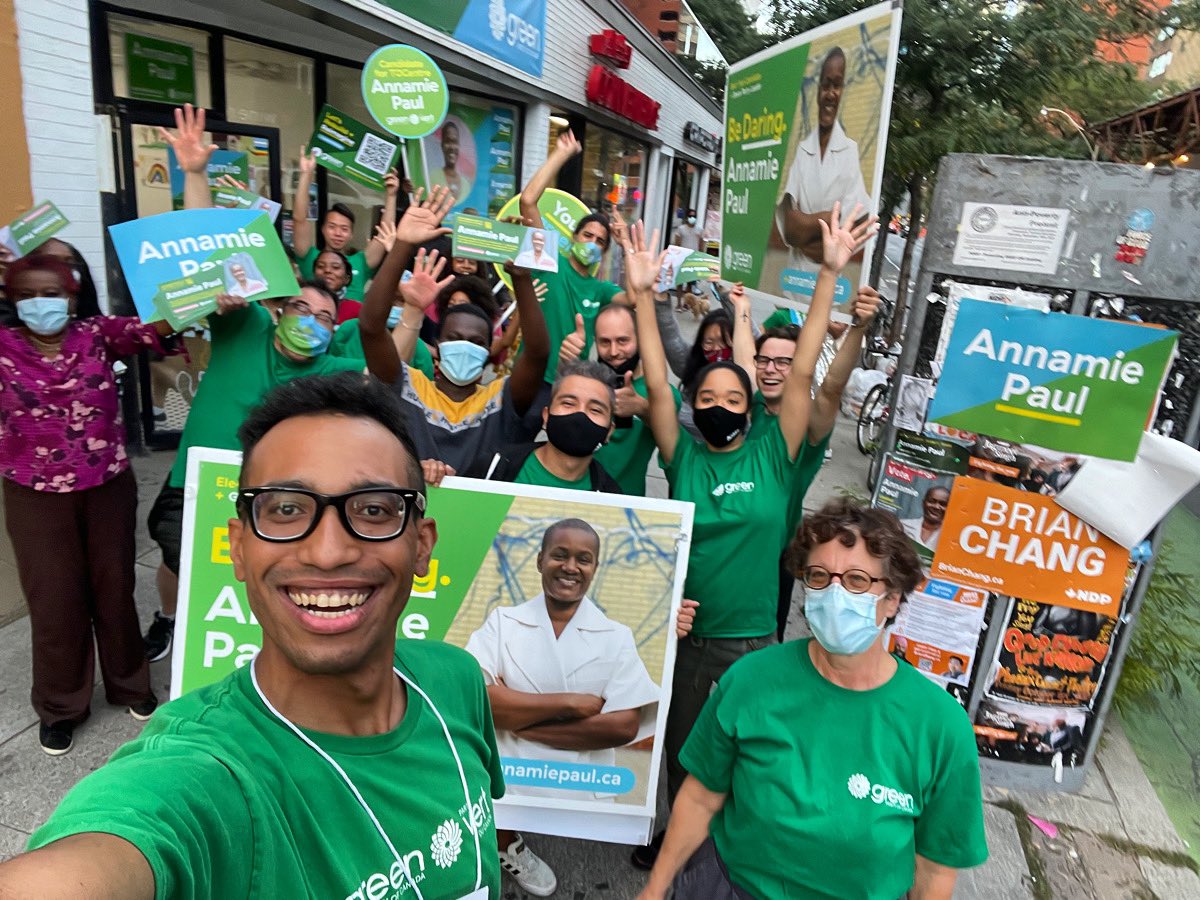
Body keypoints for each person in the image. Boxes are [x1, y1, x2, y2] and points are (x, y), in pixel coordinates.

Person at [0, 373, 506, 897]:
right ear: (238, 548)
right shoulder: (203, 774)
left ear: (421, 545)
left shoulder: (457, 679)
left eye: (374, 510)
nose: (328, 553)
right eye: (285, 509)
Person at [627, 204, 876, 864]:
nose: (718, 407)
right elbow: (655, 381)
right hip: (683, 633)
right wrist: (644, 295)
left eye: (731, 399)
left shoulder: (776, 452)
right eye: (705, 399)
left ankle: (726, 850)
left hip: (752, 639)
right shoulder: (683, 456)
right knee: (681, 750)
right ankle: (678, 844)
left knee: (742, 754)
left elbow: (803, 369)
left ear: (749, 406)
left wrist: (830, 272)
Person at [637, 499, 989, 900]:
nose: (835, 593)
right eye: (820, 576)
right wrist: (656, 887)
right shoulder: (753, 679)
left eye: (857, 581)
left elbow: (934, 867)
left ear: (892, 599)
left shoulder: (940, 725)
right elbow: (701, 798)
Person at [143, 104, 370, 663]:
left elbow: (388, 348)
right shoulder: (244, 324)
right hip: (194, 484)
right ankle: (168, 620)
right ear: (278, 309)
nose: (309, 320)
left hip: (266, 494)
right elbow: (205, 256)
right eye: (300, 307)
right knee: (176, 561)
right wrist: (194, 173)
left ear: (333, 330)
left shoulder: (332, 369)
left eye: (322, 316)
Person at [0, 255, 167, 755]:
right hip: (33, 494)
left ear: (71, 297)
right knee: (54, 599)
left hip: (106, 487)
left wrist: (199, 292)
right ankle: (61, 706)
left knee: (114, 585)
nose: (40, 303)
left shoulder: (97, 334)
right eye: (27, 294)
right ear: (10, 299)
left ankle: (130, 684)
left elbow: (157, 325)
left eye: (51, 293)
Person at [466, 519, 660, 896]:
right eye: (560, 555)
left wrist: (521, 723)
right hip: (511, 771)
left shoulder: (616, 636)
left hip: (575, 779)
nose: (571, 567)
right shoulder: (504, 621)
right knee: (493, 808)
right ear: (540, 560)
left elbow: (621, 727)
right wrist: (570, 704)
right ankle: (506, 843)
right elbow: (479, 700)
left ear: (595, 569)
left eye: (584, 559)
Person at [360, 189, 552, 482]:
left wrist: (521, 278)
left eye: (476, 343)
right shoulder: (405, 385)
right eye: (455, 337)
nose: (465, 345)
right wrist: (403, 245)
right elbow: (371, 327)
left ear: (489, 350)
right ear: (437, 345)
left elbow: (537, 353)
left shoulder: (502, 400)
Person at [742, 286, 883, 641]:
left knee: (761, 653)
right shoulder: (749, 403)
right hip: (730, 542)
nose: (771, 370)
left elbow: (832, 387)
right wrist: (741, 308)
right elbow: (745, 359)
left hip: (774, 557)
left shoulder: (807, 425)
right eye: (765, 361)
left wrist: (859, 328)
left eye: (785, 362)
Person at [518, 129, 629, 389]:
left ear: (604, 251)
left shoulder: (601, 290)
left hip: (568, 383)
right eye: (587, 235)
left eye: (600, 241)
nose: (592, 243)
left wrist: (627, 247)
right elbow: (528, 201)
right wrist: (561, 154)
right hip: (528, 375)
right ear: (574, 237)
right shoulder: (548, 260)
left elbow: (634, 299)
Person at [774, 47, 871, 278]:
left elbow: (845, 240)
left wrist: (806, 226)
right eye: (825, 85)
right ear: (818, 91)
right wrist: (827, 219)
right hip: (795, 282)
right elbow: (790, 231)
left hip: (830, 289)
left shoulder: (850, 152)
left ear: (843, 90)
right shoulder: (802, 150)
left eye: (836, 85)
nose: (830, 93)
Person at [467, 358, 623, 493]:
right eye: (568, 403)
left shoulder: (611, 498)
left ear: (609, 431)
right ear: (546, 416)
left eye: (595, 410)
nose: (580, 414)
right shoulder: (493, 467)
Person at [586, 303, 682, 496]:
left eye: (623, 341)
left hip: (627, 507)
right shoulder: (582, 385)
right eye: (605, 342)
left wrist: (642, 408)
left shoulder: (662, 396)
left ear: (640, 339)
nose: (613, 352)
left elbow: (668, 429)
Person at [291, 146, 399, 304]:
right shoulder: (309, 257)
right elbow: (299, 219)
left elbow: (385, 234)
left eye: (344, 229)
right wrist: (306, 174)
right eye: (332, 227)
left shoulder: (361, 262)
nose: (337, 233)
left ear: (351, 235)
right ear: (322, 230)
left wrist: (391, 195)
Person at [429, 120, 471, 202]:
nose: (452, 147)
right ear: (442, 145)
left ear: (459, 145)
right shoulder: (433, 177)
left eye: (455, 142)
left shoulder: (466, 185)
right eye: (447, 141)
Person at [671, 208, 704, 309]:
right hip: (682, 258)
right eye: (690, 216)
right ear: (687, 217)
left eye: (694, 216)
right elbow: (677, 243)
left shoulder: (699, 230)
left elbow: (701, 244)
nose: (692, 218)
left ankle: (687, 303)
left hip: (693, 258)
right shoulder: (681, 229)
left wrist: (700, 257)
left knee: (690, 282)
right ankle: (679, 303)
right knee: (680, 282)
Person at [900, 485, 949, 552]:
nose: (936, 507)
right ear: (923, 503)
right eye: (932, 501)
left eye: (943, 504)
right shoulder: (902, 526)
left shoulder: (949, 538)